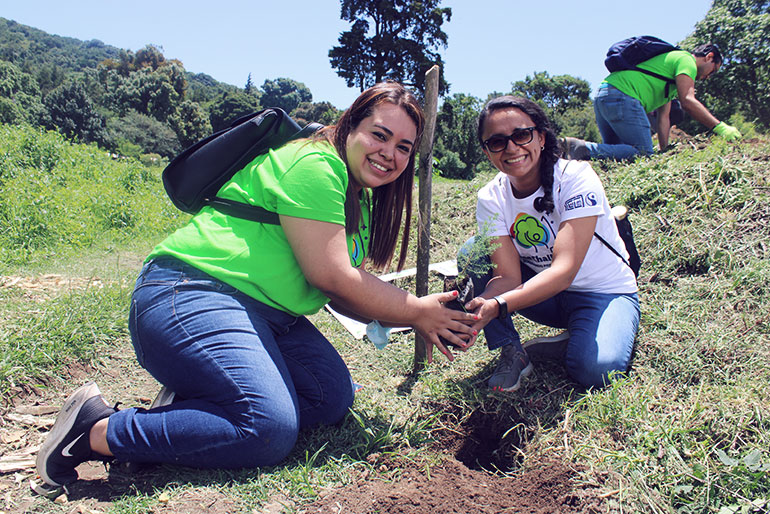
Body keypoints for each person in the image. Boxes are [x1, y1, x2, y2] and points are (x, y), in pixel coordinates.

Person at [36, 82, 477, 488]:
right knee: (267, 429)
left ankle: (196, 402)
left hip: (267, 317)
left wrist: (413, 314)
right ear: (349, 125)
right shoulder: (316, 165)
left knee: (329, 398)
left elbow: (344, 291)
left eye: (404, 147)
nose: (390, 154)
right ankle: (94, 431)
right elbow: (334, 278)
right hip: (191, 292)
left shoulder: (355, 196)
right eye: (380, 135)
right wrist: (417, 310)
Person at [458, 95, 640, 392]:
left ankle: (585, 334)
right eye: (497, 142)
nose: (512, 148)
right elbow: (507, 277)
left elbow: (564, 270)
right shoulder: (490, 197)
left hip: (603, 293)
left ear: (541, 137)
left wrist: (499, 304)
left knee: (596, 372)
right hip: (547, 299)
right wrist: (482, 307)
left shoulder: (575, 178)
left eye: (521, 135)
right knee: (473, 251)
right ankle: (512, 352)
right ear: (487, 152)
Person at [562, 43, 742, 161]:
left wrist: (664, 151)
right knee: (643, 153)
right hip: (623, 95)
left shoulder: (669, 79)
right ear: (709, 57)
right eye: (713, 70)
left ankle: (574, 153)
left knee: (615, 155)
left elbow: (664, 118)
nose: (708, 76)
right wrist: (720, 128)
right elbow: (688, 101)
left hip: (605, 94)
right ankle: (581, 148)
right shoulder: (686, 60)